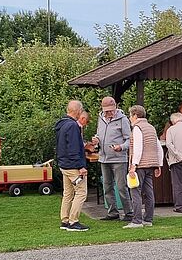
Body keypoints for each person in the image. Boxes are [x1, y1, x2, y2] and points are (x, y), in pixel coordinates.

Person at [92, 97, 133, 221]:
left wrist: (121, 147)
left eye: (111, 110)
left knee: (121, 187)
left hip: (119, 159)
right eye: (107, 111)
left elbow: (129, 139)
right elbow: (99, 134)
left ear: (116, 107)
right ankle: (112, 212)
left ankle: (129, 213)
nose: (109, 113)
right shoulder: (100, 119)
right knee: (107, 186)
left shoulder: (123, 119)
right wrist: (96, 139)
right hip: (104, 158)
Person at [124, 105, 163, 229]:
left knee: (135, 191)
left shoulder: (137, 128)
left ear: (135, 115)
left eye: (130, 115)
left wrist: (133, 165)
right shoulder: (151, 127)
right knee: (149, 192)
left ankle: (137, 221)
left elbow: (138, 148)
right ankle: (148, 219)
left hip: (140, 165)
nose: (130, 118)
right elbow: (158, 147)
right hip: (151, 164)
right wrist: (159, 164)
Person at [55, 100, 89, 232]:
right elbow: (74, 148)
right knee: (81, 192)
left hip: (64, 165)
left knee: (68, 193)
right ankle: (73, 221)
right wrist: (81, 166)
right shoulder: (73, 126)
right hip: (73, 166)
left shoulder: (62, 124)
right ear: (78, 111)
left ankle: (64, 220)